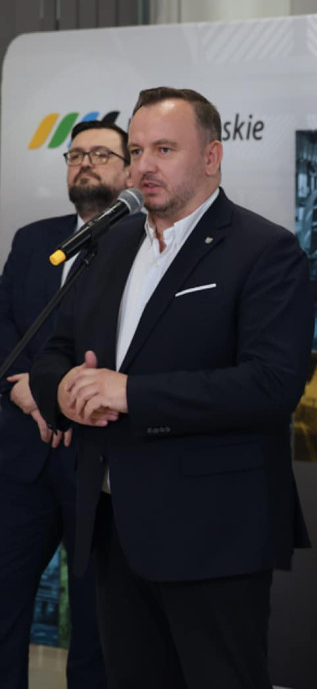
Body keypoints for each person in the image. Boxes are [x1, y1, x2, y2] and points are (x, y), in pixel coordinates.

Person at [29, 87, 313, 689]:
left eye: (164, 149)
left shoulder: (265, 249)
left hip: (212, 534)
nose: (144, 167)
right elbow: (56, 348)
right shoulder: (111, 244)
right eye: (136, 151)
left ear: (211, 157)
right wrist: (65, 389)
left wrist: (129, 394)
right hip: (113, 526)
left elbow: (272, 384)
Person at [0, 120, 127, 689]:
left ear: (129, 170)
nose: (85, 163)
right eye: (75, 154)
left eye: (101, 154)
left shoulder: (144, 244)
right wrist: (25, 393)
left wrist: (66, 401)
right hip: (22, 458)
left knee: (98, 622)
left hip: (95, 459)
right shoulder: (35, 240)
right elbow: (5, 326)